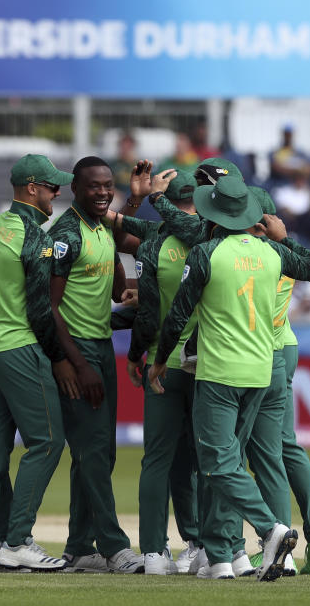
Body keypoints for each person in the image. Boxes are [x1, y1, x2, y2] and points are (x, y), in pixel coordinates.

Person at [142, 176, 310, 581]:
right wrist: (285, 237)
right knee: (233, 461)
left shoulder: (207, 253)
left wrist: (158, 362)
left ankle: (270, 530)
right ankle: (223, 557)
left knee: (217, 463)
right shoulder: (271, 253)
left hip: (219, 373)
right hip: (261, 372)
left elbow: (177, 316)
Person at [0, 154, 73, 572]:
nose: (56, 193)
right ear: (32, 189)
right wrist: (60, 359)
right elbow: (42, 310)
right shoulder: (34, 236)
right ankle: (17, 541)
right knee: (47, 441)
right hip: (17, 348)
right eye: (51, 187)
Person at [48, 156, 144, 574]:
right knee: (91, 450)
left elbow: (127, 244)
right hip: (79, 350)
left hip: (102, 346)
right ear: (75, 188)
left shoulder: (100, 225)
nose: (103, 192)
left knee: (99, 454)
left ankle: (78, 546)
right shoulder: (66, 233)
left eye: (108, 185)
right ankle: (113, 545)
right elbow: (47, 308)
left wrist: (136, 204)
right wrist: (71, 363)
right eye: (94, 186)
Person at [244, 189, 310, 576]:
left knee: (263, 452)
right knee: (286, 444)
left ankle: (278, 547)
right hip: (284, 343)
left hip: (259, 352)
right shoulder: (285, 252)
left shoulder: (250, 253)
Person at [125, 170, 208, 575]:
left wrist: (135, 357)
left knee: (157, 460)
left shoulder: (155, 242)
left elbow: (145, 314)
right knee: (207, 459)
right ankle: (208, 548)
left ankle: (155, 553)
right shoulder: (215, 239)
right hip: (209, 365)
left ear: (168, 200)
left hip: (162, 365)